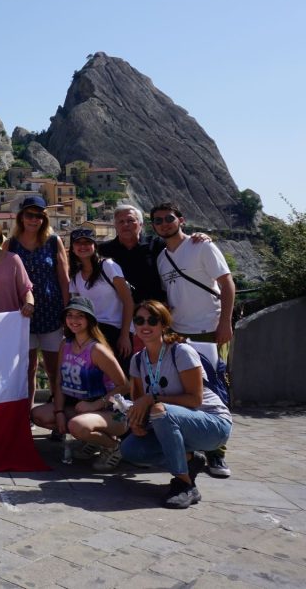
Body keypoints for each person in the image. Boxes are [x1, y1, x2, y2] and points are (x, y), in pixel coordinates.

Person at [120, 300, 233, 508]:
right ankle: (190, 459)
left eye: (152, 320)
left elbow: (195, 400)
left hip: (212, 423)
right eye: (139, 320)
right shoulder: (137, 360)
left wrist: (152, 399)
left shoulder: (180, 352)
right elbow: (139, 403)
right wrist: (137, 422)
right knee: (130, 449)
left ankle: (184, 484)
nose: (145, 325)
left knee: (161, 410)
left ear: (164, 324)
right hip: (172, 421)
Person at [151, 202, 236, 478]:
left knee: (215, 392)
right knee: (188, 392)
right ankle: (195, 445)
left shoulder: (202, 246)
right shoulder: (163, 258)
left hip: (208, 330)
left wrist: (225, 322)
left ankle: (217, 454)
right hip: (179, 334)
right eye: (158, 221)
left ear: (181, 220)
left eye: (168, 218)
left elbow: (226, 283)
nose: (164, 224)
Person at [31, 297, 130, 472]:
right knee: (39, 415)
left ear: (89, 319)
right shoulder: (66, 344)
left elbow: (124, 385)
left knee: (77, 426)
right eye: (70, 315)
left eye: (80, 316)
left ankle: (113, 446)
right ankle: (92, 440)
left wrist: (96, 404)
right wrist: (59, 412)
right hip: (80, 408)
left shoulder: (97, 350)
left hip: (111, 413)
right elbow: (59, 380)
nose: (74, 320)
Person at [8, 196, 69, 408]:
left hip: (52, 313)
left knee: (54, 368)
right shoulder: (12, 244)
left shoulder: (53, 241)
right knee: (28, 368)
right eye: (29, 215)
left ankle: (58, 412)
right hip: (24, 314)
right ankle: (27, 415)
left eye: (39, 216)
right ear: (21, 217)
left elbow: (64, 278)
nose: (34, 220)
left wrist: (66, 311)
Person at [68, 227, 134, 359]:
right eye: (78, 243)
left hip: (114, 330)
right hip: (90, 332)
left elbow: (128, 301)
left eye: (87, 242)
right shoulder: (76, 276)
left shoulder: (108, 266)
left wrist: (125, 335)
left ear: (94, 245)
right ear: (73, 248)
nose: (83, 246)